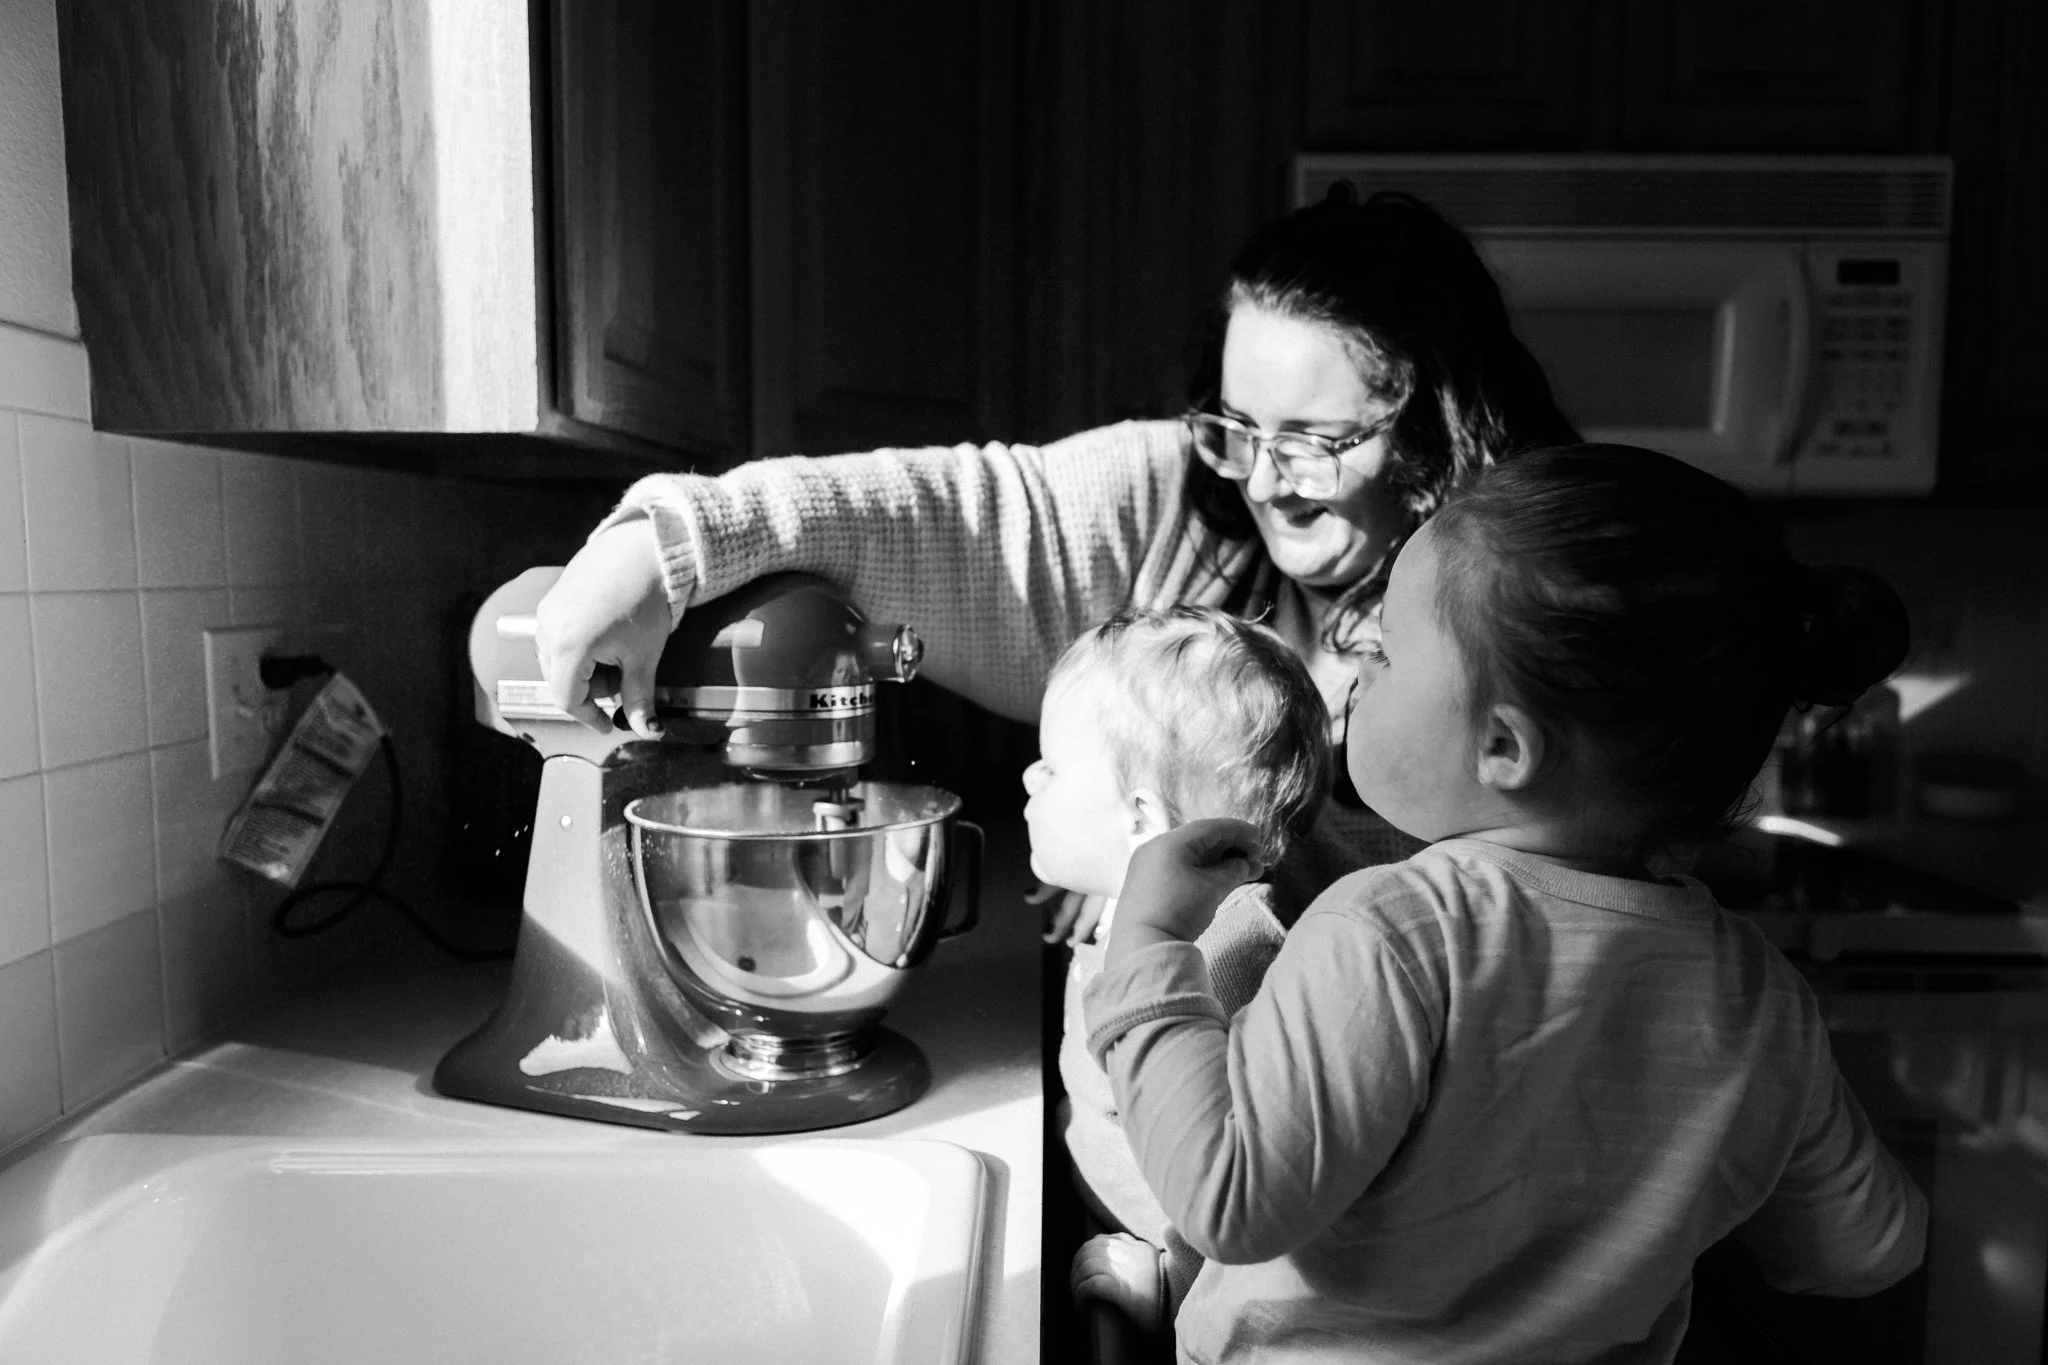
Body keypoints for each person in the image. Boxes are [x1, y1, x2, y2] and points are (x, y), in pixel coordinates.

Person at [531, 187, 1579, 926]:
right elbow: (937, 511)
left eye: (1311, 443)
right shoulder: (1175, 495)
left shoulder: (1521, 598)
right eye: (1237, 425)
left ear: (1439, 429)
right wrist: (663, 547)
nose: (1260, 481)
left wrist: (1152, 870)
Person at [1085, 445, 1928, 1362]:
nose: (1357, 669)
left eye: (1388, 650)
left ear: (1502, 745)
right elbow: (1869, 1247)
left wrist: (1147, 942)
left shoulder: (1390, 934)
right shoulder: (1764, 1001)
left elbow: (1228, 1198)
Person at [1022, 606, 1329, 1333]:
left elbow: (1256, 1181)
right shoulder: (1119, 905)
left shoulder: (1231, 949)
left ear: (1141, 818)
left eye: (1054, 765)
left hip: (1179, 1290)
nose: (1030, 774)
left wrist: (1176, 1283)